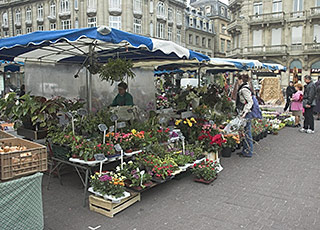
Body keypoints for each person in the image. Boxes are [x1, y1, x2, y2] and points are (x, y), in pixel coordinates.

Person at [236, 74, 254, 158]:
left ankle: (249, 151)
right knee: (245, 132)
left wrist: (245, 112)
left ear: (241, 80)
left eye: (238, 80)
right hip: (245, 112)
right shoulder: (245, 87)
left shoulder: (244, 89)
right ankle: (245, 150)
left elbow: (250, 102)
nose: (237, 82)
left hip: (246, 113)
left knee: (247, 132)